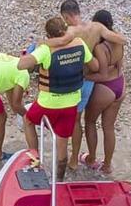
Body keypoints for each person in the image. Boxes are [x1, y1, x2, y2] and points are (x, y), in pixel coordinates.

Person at [21, 17, 91, 173]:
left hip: (48, 103)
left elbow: (22, 65)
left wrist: (35, 50)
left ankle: (35, 159)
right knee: (62, 144)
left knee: (28, 121)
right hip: (71, 103)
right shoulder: (79, 43)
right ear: (65, 30)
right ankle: (59, 179)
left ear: (49, 35)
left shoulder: (46, 49)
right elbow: (93, 65)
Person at [78, 9, 126, 176]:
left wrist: (85, 75)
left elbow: (102, 74)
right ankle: (107, 165)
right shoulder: (118, 39)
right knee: (109, 127)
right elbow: (118, 66)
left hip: (105, 87)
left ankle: (91, 159)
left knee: (90, 122)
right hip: (120, 84)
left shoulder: (100, 47)